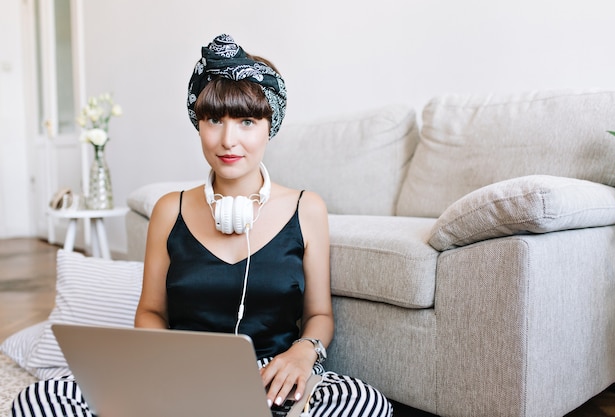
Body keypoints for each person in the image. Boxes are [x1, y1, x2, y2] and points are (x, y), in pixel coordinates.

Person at [12, 33, 393, 417]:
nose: (229, 140)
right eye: (214, 119)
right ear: (198, 123)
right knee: (39, 400)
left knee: (365, 404)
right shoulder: (168, 210)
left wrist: (303, 352)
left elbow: (319, 316)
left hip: (271, 377)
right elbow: (150, 313)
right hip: (177, 375)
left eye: (247, 121)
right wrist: (165, 365)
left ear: (269, 126)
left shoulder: (306, 208)